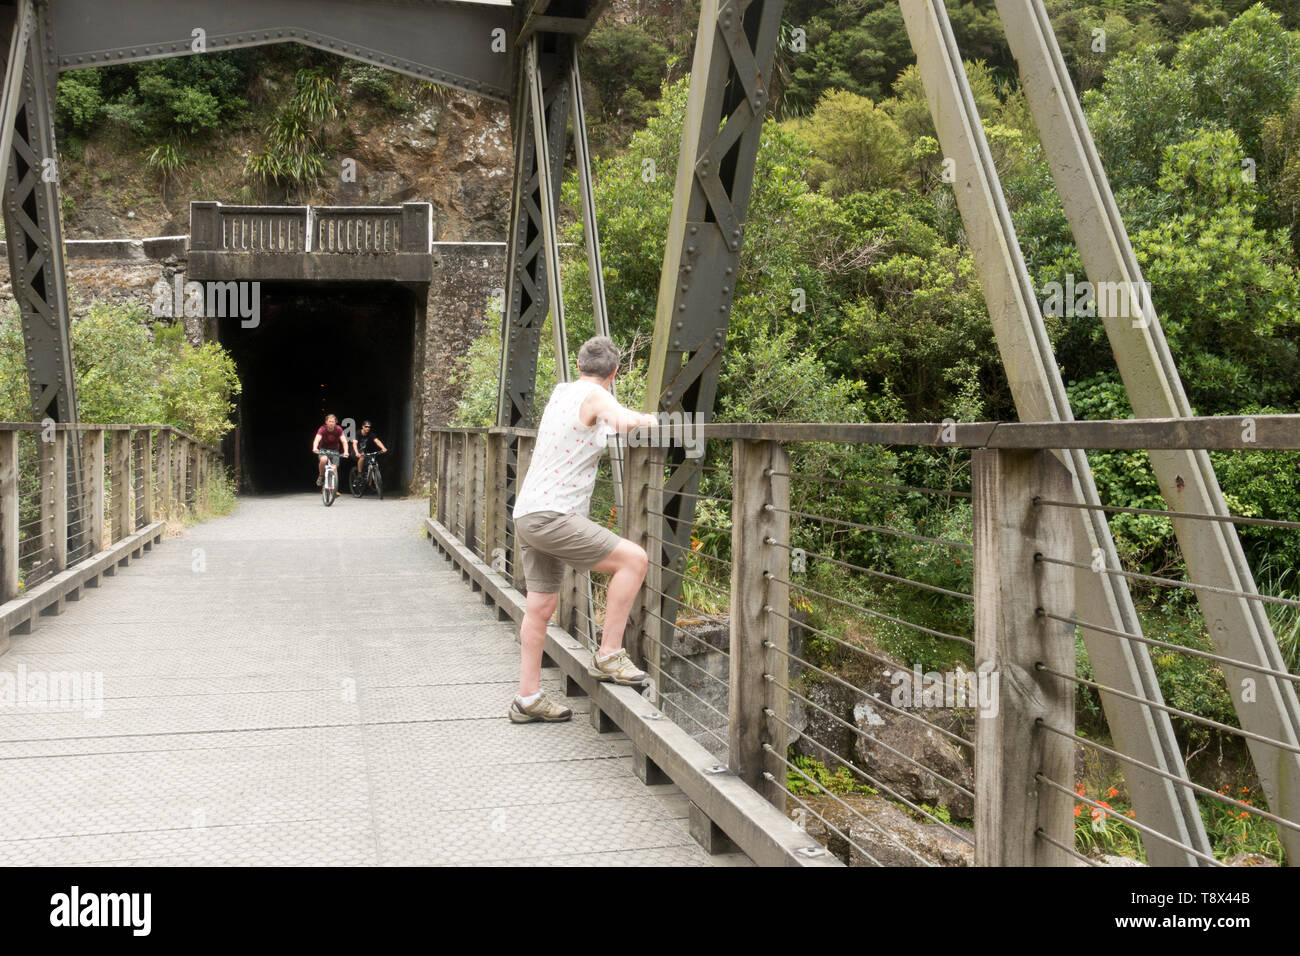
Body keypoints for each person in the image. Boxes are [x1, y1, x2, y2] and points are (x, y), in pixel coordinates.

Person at [508, 336, 659, 724]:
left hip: (528, 513)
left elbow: (591, 430)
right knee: (634, 560)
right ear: (614, 373)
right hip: (553, 516)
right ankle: (609, 654)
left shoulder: (562, 393)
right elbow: (624, 423)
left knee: (540, 606)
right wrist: (651, 420)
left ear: (578, 366)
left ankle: (528, 698)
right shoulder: (596, 396)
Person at [312, 413, 348, 487]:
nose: (331, 423)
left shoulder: (338, 429)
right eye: (329, 421)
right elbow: (317, 439)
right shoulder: (322, 429)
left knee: (334, 467)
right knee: (323, 459)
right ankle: (321, 476)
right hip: (323, 450)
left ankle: (334, 489)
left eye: (333, 422)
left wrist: (346, 451)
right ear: (326, 422)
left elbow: (344, 441)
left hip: (334, 451)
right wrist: (315, 447)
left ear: (335, 423)